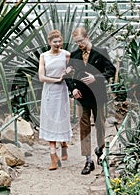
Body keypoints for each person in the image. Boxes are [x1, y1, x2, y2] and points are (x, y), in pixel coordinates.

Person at [65, 27, 116, 175]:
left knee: (100, 124)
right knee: (84, 128)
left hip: (98, 96)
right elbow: (66, 75)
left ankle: (101, 152)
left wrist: (96, 78)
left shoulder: (101, 52)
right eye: (76, 42)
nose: (79, 44)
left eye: (81, 41)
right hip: (82, 97)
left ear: (87, 38)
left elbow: (111, 70)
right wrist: (73, 89)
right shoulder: (74, 55)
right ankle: (88, 160)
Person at [38, 29, 73, 170]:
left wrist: (68, 73)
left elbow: (72, 70)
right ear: (49, 42)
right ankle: (53, 157)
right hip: (49, 91)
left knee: (62, 118)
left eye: (59, 41)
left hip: (62, 92)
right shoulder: (43, 56)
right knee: (50, 121)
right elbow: (41, 77)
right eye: (55, 42)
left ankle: (64, 144)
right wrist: (56, 79)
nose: (58, 44)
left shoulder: (66, 55)